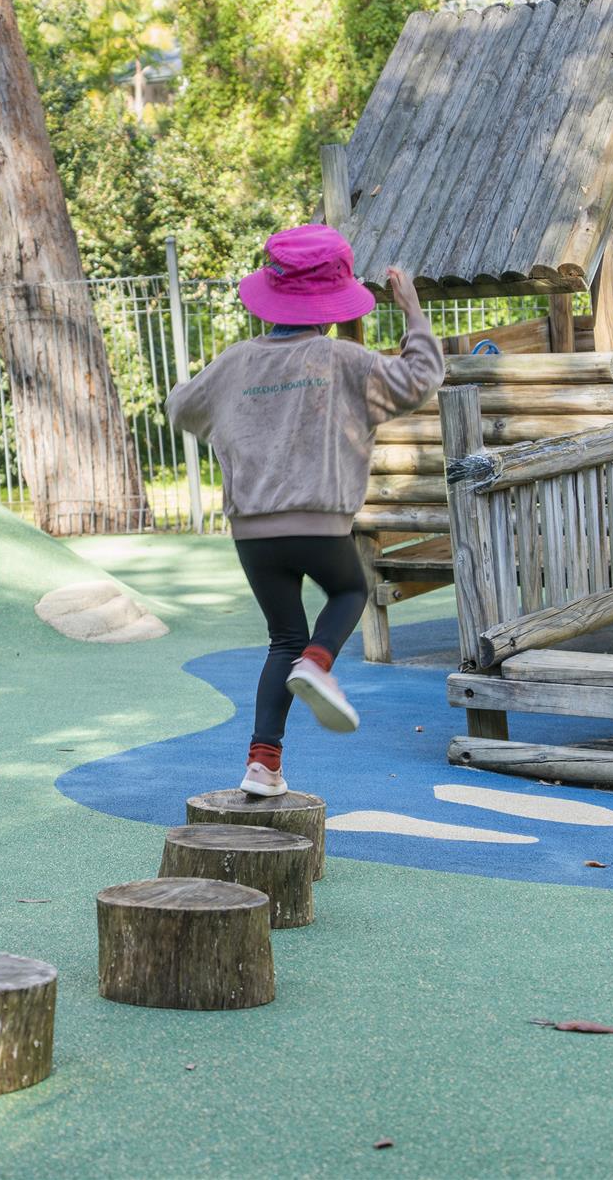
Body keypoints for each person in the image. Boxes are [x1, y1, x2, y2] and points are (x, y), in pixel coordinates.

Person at [167, 224, 441, 797]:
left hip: (253, 532)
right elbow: (419, 381)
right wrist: (412, 311)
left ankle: (262, 765)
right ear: (332, 305)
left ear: (270, 297)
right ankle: (319, 663)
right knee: (349, 592)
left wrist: (233, 410)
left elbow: (181, 408)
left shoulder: (237, 361)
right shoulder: (345, 360)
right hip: (319, 522)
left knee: (281, 639)